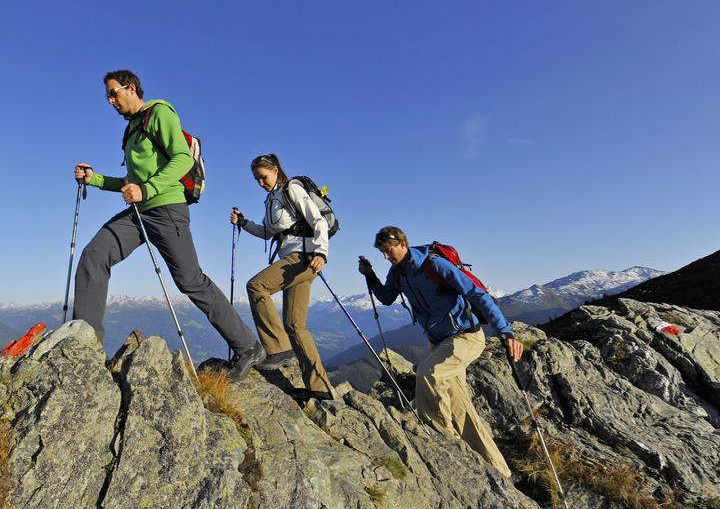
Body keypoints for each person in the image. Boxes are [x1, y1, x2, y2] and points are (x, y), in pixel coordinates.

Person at [73, 70, 264, 380]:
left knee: (190, 281)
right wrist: (94, 179)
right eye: (106, 96)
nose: (109, 101)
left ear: (131, 87)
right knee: (94, 255)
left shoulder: (159, 113)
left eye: (113, 93)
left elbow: (182, 159)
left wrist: (146, 189)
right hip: (139, 213)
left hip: (167, 209)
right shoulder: (132, 130)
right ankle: (85, 349)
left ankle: (247, 346)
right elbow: (131, 182)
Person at [360, 226, 522, 477]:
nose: (386, 256)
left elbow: (476, 294)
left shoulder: (434, 265)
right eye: (382, 252)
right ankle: (500, 472)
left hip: (466, 337)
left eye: (388, 250)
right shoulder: (398, 273)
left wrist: (505, 331)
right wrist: (370, 276)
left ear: (402, 243)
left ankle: (439, 439)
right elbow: (387, 298)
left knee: (428, 372)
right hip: (439, 342)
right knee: (462, 410)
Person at [230, 153, 336, 400]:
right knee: (295, 326)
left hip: (303, 257)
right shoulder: (272, 199)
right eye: (256, 179)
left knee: (256, 286)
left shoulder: (293, 189)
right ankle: (319, 389)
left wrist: (321, 252)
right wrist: (244, 223)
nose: (260, 182)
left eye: (263, 177)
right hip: (294, 260)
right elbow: (268, 232)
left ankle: (278, 348)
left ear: (276, 170)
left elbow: (317, 220)